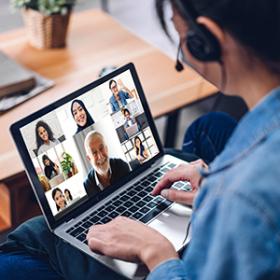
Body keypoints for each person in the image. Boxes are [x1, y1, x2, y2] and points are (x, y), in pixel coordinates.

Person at [1, 0, 280, 279]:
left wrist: (157, 253)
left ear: (205, 41)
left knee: (25, 242)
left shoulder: (241, 198)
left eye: (179, 36)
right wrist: (213, 185)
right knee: (207, 127)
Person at [83, 131, 130, 196]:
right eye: (94, 153)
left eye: (101, 148)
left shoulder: (122, 166)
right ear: (89, 158)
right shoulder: (88, 184)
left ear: (106, 149)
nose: (100, 156)